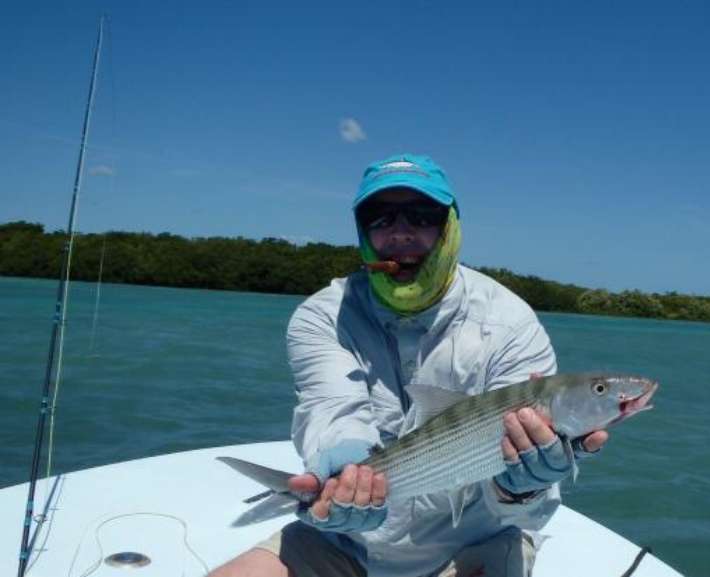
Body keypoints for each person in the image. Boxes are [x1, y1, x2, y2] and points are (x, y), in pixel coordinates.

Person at [210, 154, 607, 577]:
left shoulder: (511, 323)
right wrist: (345, 472)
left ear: (450, 227)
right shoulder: (323, 316)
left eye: (421, 217)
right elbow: (333, 407)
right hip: (344, 539)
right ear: (363, 232)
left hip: (474, 542)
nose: (400, 233)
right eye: (380, 219)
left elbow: (521, 492)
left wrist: (523, 487)